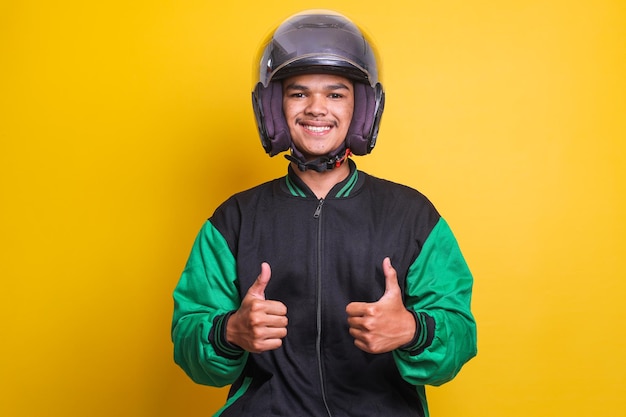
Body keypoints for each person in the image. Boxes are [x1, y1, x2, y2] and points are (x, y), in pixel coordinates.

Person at [172, 9, 477, 417]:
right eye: (299, 93)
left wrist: (413, 330)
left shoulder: (413, 216)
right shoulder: (234, 220)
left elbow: (459, 334)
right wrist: (229, 332)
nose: (317, 108)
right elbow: (189, 340)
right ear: (275, 108)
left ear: (361, 108)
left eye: (336, 94)